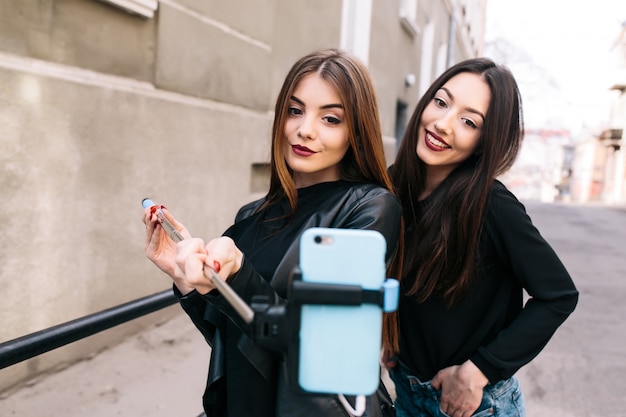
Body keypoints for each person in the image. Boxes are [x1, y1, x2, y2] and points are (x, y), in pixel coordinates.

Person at [143, 48, 402, 417]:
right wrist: (188, 281)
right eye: (295, 111)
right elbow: (231, 338)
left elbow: (320, 346)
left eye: (330, 118)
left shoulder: (369, 207)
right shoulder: (252, 214)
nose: (305, 129)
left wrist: (238, 274)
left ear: (355, 131)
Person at [383, 57, 579, 417]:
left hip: (474, 406)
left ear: (484, 141)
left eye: (469, 121)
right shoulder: (395, 187)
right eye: (441, 102)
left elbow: (559, 296)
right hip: (407, 396)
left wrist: (480, 369)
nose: (442, 124)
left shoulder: (491, 204)